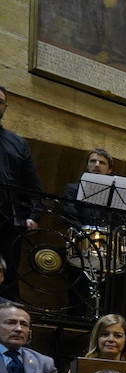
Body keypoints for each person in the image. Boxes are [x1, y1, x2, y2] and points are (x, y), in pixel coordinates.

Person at [0, 87, 43, 303]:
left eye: (0, 102)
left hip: (8, 219)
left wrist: (34, 216)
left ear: (5, 108)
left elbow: (33, 186)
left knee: (8, 275)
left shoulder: (17, 143)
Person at [61, 148, 116, 227]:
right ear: (87, 166)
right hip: (80, 234)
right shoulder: (72, 189)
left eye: (102, 163)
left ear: (109, 170)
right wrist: (85, 232)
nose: (97, 165)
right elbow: (69, 216)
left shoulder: (115, 193)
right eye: (93, 161)